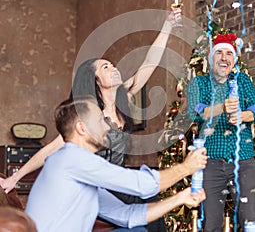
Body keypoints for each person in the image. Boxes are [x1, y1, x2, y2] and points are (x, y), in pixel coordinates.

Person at [0, 9, 181, 231]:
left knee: (150, 203)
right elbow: (51, 149)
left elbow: (149, 63)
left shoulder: (125, 97)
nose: (113, 68)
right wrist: (14, 178)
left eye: (112, 64)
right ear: (96, 81)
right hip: (102, 182)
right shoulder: (90, 117)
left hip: (120, 180)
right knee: (146, 203)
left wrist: (168, 26)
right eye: (106, 67)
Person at [25, 95, 207, 231]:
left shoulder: (82, 170)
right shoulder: (71, 159)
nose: (107, 127)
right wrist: (185, 168)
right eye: (100, 121)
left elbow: (127, 215)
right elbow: (142, 185)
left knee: (137, 230)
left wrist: (180, 198)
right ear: (81, 128)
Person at [187, 33, 255, 231]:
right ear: (211, 58)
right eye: (219, 53)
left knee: (251, 221)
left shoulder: (243, 81)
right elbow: (197, 112)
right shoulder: (199, 84)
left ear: (234, 59)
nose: (224, 58)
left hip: (243, 162)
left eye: (228, 53)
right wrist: (222, 107)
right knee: (210, 223)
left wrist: (242, 115)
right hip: (210, 163)